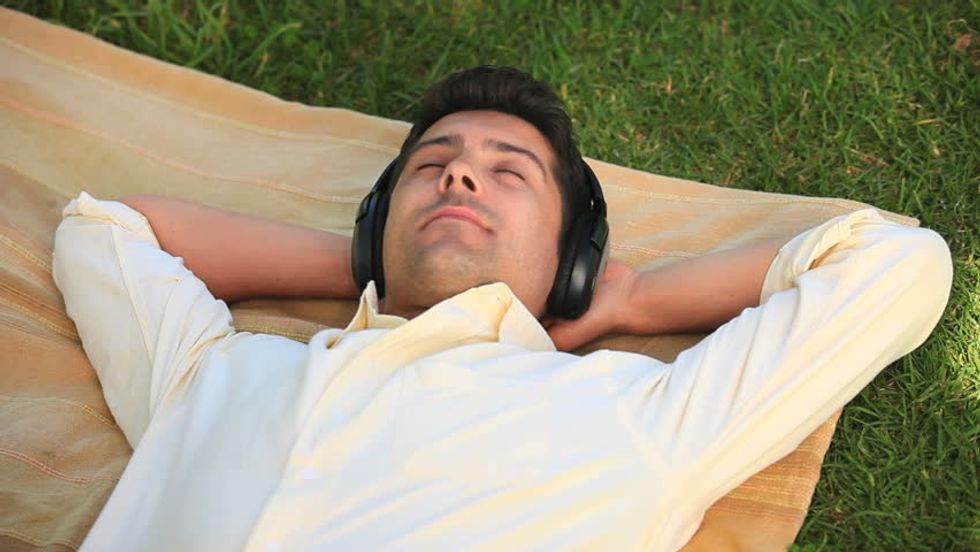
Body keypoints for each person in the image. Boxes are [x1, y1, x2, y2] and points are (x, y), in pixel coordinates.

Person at [52, 66, 952, 551]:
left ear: (572, 260)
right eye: (431, 165)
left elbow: (897, 263)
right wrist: (375, 264)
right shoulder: (214, 372)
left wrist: (637, 299)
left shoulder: (639, 419)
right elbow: (104, 231)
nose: (459, 174)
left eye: (507, 173)